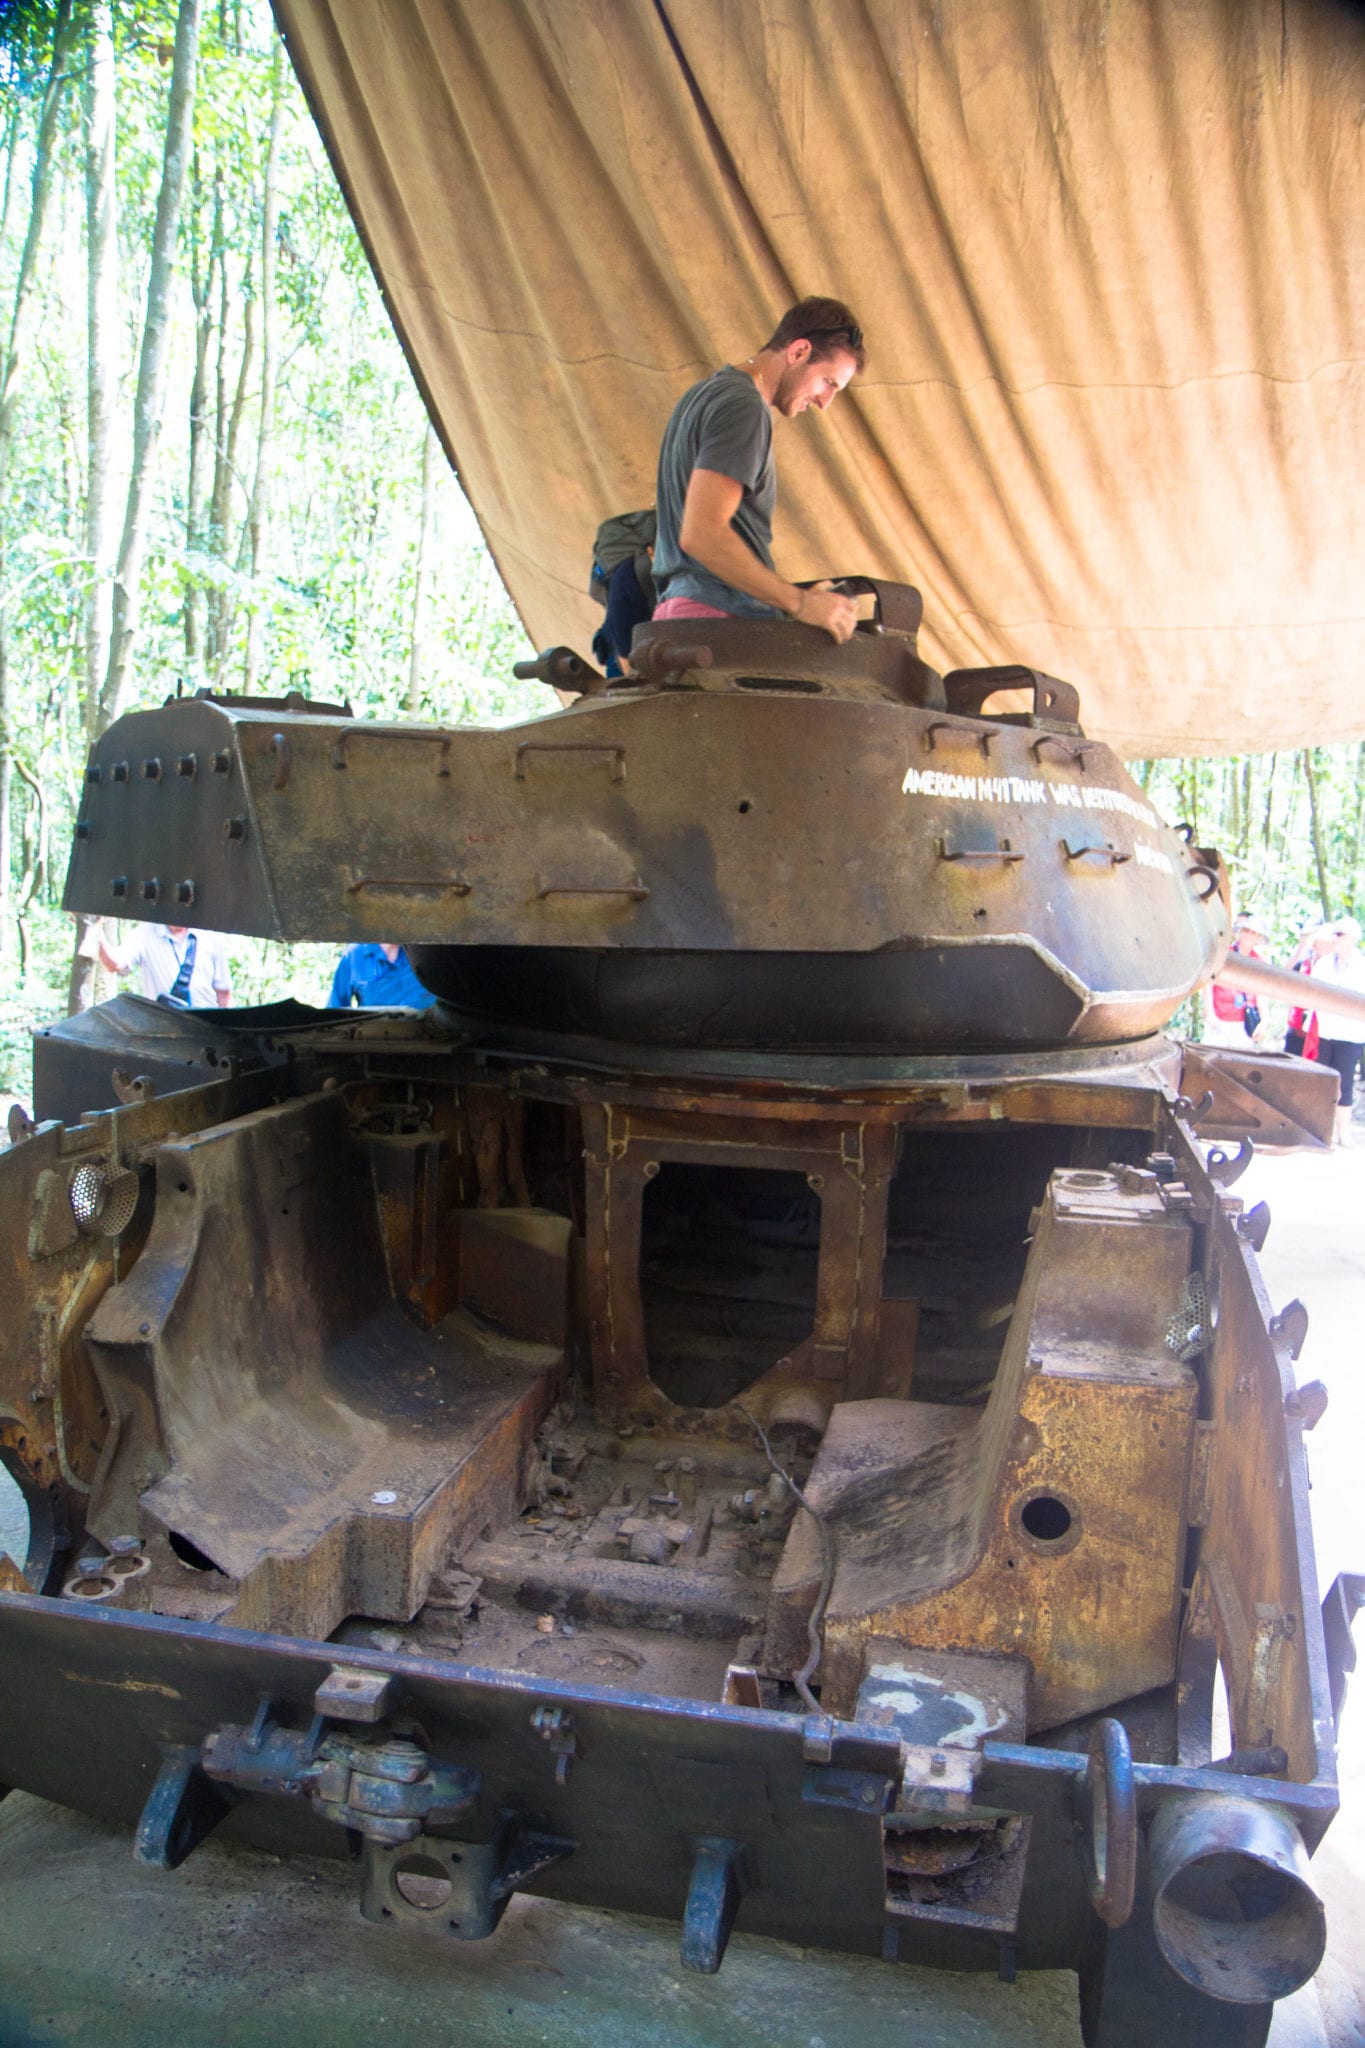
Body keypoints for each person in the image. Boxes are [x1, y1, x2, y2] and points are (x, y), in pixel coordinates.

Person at [651, 295, 866, 645]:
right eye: (828, 382)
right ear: (798, 352)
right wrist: (800, 603)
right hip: (716, 622)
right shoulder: (744, 407)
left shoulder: (705, 394)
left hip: (684, 616)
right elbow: (702, 533)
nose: (825, 403)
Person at [1301, 917, 1365, 1146]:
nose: (1336, 939)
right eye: (1335, 934)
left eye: (1341, 935)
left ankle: (1343, 1131)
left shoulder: (1362, 966)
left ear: (1353, 939)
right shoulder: (1322, 964)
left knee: (1344, 1081)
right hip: (1324, 1031)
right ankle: (1318, 1129)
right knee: (1321, 1079)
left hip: (1351, 1034)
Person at [92, 920, 231, 1009]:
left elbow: (223, 993)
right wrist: (93, 928)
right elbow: (115, 963)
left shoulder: (210, 936)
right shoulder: (145, 934)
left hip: (205, 1025)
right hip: (164, 1027)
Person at [1205, 912, 1270, 1048]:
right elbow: (1208, 985)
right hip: (1219, 1018)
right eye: (1247, 931)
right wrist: (1210, 1014)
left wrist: (1264, 1021)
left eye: (1254, 933)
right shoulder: (1223, 954)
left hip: (1243, 1022)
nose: (1249, 936)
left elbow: (1261, 994)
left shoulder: (1260, 962)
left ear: (1258, 938)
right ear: (1240, 932)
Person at [329, 942, 436, 1010]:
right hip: (375, 1040)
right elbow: (335, 1012)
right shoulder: (354, 955)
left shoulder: (429, 950)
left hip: (429, 1039)